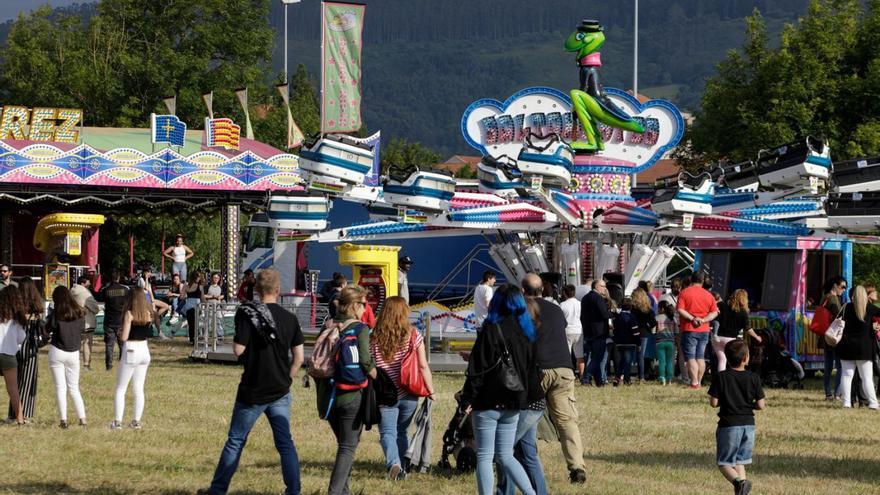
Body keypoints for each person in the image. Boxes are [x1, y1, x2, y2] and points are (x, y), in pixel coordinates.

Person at [200, 269, 305, 495]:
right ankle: (293, 490)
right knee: (285, 443)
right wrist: (288, 378)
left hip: (253, 388)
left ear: (256, 290)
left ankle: (217, 490)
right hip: (280, 389)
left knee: (236, 440)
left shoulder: (246, 313)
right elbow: (299, 358)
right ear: (278, 290)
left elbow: (239, 350)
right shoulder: (291, 318)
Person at [460, 284, 538, 495]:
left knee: (485, 455)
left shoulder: (490, 329)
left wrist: (467, 399)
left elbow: (477, 370)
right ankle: (531, 493)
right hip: (514, 399)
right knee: (506, 455)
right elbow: (531, 369)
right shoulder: (527, 331)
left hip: (488, 399)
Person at [522, 273, 586, 484]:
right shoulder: (557, 310)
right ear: (543, 290)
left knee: (527, 418)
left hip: (538, 370)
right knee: (567, 421)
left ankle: (527, 463)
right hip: (564, 369)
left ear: (523, 292)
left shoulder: (522, 310)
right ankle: (577, 466)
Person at [316, 285, 377, 495]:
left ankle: (344, 492)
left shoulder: (327, 325)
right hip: (351, 396)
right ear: (354, 305)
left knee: (344, 445)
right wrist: (380, 378)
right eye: (364, 304)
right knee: (348, 447)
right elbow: (366, 362)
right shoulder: (360, 329)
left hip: (328, 396)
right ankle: (334, 492)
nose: (366, 309)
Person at [369, 296, 434, 479]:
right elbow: (422, 366)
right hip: (409, 392)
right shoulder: (414, 335)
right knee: (402, 431)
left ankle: (394, 464)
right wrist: (431, 390)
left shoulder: (373, 336)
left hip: (384, 393)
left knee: (387, 432)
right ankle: (404, 467)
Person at [709, 340, 766, 495]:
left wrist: (726, 402)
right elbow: (761, 405)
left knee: (724, 463)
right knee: (740, 461)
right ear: (746, 358)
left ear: (726, 357)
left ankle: (740, 482)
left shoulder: (721, 377)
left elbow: (713, 403)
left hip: (728, 425)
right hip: (748, 425)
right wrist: (748, 406)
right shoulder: (754, 377)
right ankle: (742, 491)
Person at [111, 289, 154, 429]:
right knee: (139, 388)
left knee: (121, 388)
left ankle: (117, 422)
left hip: (131, 349)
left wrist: (120, 331)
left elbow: (124, 337)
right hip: (144, 350)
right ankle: (136, 421)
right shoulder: (148, 314)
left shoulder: (129, 314)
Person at [46, 286, 88, 428]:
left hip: (58, 350)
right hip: (74, 352)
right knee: (74, 388)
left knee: (60, 387)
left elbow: (47, 329)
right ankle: (82, 418)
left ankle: (63, 420)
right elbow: (82, 331)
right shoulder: (79, 313)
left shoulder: (56, 314)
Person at [7, 277, 44, 421]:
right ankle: (26, 414)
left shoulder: (16, 307)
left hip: (15, 347)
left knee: (14, 384)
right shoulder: (37, 309)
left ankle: (13, 414)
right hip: (30, 347)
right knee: (28, 382)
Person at [837, 285, 879, 409]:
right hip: (864, 348)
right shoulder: (870, 308)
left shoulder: (846, 307)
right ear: (865, 296)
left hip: (846, 346)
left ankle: (846, 403)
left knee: (846, 375)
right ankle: (873, 402)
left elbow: (837, 321)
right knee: (866, 377)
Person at [677, 272, 719, 389]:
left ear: (691, 279)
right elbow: (715, 312)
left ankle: (694, 382)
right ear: (703, 281)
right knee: (700, 357)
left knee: (690, 357)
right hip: (704, 330)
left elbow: (680, 310)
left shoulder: (684, 293)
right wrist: (703, 320)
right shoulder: (709, 295)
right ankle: (699, 382)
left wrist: (692, 318)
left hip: (689, 329)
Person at [713, 289, 762, 372]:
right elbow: (748, 329)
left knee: (722, 360)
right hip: (730, 339)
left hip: (716, 337)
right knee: (732, 361)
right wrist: (757, 337)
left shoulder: (722, 305)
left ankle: (720, 379)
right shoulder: (743, 312)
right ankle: (730, 379)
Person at [0, 286, 27, 424]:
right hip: (9, 354)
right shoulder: (16, 319)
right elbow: (21, 338)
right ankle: (20, 419)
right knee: (12, 388)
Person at [819, 276, 846, 400]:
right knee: (839, 366)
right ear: (835, 285)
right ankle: (837, 393)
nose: (844, 290)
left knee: (828, 366)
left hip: (825, 335)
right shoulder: (834, 299)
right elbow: (839, 317)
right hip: (834, 336)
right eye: (842, 287)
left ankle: (827, 393)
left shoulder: (824, 297)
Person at [580, 278, 612, 386]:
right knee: (598, 357)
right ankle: (586, 377)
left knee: (595, 357)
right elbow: (604, 314)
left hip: (588, 332)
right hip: (599, 332)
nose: (605, 288)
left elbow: (582, 316)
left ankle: (599, 382)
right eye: (603, 286)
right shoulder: (598, 298)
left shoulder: (585, 298)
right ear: (597, 287)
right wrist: (614, 314)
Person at [98, 271, 130, 371]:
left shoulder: (106, 290)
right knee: (122, 345)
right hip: (121, 320)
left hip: (109, 321)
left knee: (109, 345)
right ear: (119, 277)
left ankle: (109, 366)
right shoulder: (125, 290)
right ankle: (122, 364)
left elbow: (99, 298)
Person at [660, 278, 688, 383]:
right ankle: (684, 376)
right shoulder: (684, 296)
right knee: (680, 353)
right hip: (678, 328)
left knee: (671, 353)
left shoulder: (664, 297)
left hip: (669, 328)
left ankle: (670, 377)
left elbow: (659, 313)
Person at [70, 276, 100, 371]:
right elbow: (95, 308)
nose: (90, 283)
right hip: (86, 321)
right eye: (88, 281)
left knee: (74, 343)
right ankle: (86, 364)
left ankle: (73, 363)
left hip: (73, 320)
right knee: (87, 342)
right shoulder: (85, 293)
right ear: (83, 283)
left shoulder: (71, 291)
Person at [612, 298, 640, 386]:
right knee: (628, 362)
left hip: (619, 342)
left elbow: (614, 329)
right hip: (630, 342)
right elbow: (635, 331)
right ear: (631, 307)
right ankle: (627, 380)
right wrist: (638, 342)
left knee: (622, 361)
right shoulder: (632, 317)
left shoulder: (617, 317)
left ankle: (617, 378)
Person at [632, 287, 657, 382]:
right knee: (644, 355)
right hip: (645, 334)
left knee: (640, 355)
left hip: (636, 334)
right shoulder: (648, 310)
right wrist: (648, 325)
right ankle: (644, 374)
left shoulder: (633, 309)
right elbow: (654, 323)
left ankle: (641, 376)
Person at [560, 284, 584, 378]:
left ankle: (569, 375)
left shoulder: (562, 305)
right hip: (579, 330)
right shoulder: (580, 303)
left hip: (567, 331)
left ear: (564, 293)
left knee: (567, 355)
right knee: (580, 356)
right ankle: (582, 376)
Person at [138, 268, 169, 340]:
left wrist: (153, 302)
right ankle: (159, 332)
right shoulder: (141, 280)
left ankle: (155, 318)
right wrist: (145, 278)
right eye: (149, 273)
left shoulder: (148, 282)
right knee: (154, 316)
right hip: (144, 299)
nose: (150, 274)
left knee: (166, 306)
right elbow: (145, 289)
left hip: (149, 298)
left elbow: (150, 293)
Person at [655, 300, 678, 385]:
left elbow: (654, 331)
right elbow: (676, 331)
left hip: (660, 342)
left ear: (662, 309)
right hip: (671, 342)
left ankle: (662, 378)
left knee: (662, 361)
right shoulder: (673, 318)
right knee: (669, 362)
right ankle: (670, 380)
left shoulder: (657, 318)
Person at [183, 271, 205, 345]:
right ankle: (196, 339)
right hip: (197, 306)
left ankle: (192, 339)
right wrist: (207, 305)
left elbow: (182, 296)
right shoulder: (200, 287)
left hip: (189, 305)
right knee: (196, 323)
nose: (199, 278)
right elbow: (203, 299)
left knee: (191, 323)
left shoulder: (186, 286)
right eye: (198, 277)